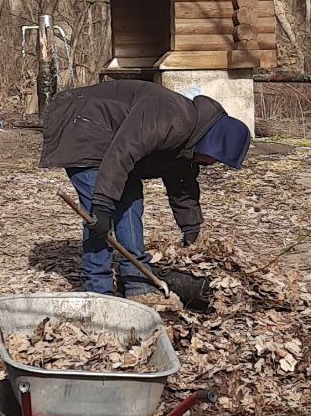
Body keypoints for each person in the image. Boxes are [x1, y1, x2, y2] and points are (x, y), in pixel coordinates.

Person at [40, 79, 251, 297]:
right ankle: (99, 292)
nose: (211, 164)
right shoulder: (170, 118)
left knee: (131, 203)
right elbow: (121, 153)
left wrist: (191, 228)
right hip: (82, 126)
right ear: (212, 143)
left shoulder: (190, 140)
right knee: (100, 219)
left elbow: (182, 183)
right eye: (215, 159)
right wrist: (102, 205)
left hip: (114, 143)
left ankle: (137, 284)